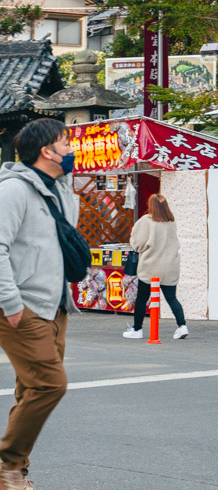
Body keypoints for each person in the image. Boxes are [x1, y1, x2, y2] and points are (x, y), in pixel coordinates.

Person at [0, 119, 79, 489]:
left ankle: (16, 471)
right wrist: (10, 302)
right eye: (65, 143)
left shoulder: (60, 190)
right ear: (47, 151)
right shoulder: (14, 191)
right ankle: (8, 466)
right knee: (50, 385)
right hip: (20, 305)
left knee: (29, 388)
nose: (71, 149)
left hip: (54, 305)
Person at [124, 194, 189, 341]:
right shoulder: (171, 222)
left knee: (142, 298)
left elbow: (137, 243)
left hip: (151, 266)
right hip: (170, 266)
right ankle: (182, 326)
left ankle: (137, 329)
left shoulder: (147, 221)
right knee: (172, 298)